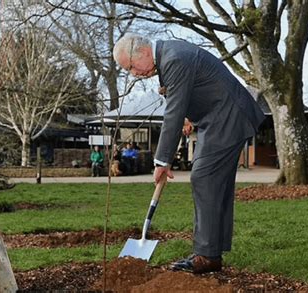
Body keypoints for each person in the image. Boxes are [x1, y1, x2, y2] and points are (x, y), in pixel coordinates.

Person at [113, 34, 265, 274]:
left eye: (131, 66)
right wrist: (189, 115)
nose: (133, 73)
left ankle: (207, 255)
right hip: (217, 117)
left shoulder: (174, 59)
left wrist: (161, 161)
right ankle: (211, 251)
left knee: (204, 178)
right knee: (215, 183)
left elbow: (171, 114)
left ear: (142, 52)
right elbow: (185, 97)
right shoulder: (169, 57)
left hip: (227, 117)